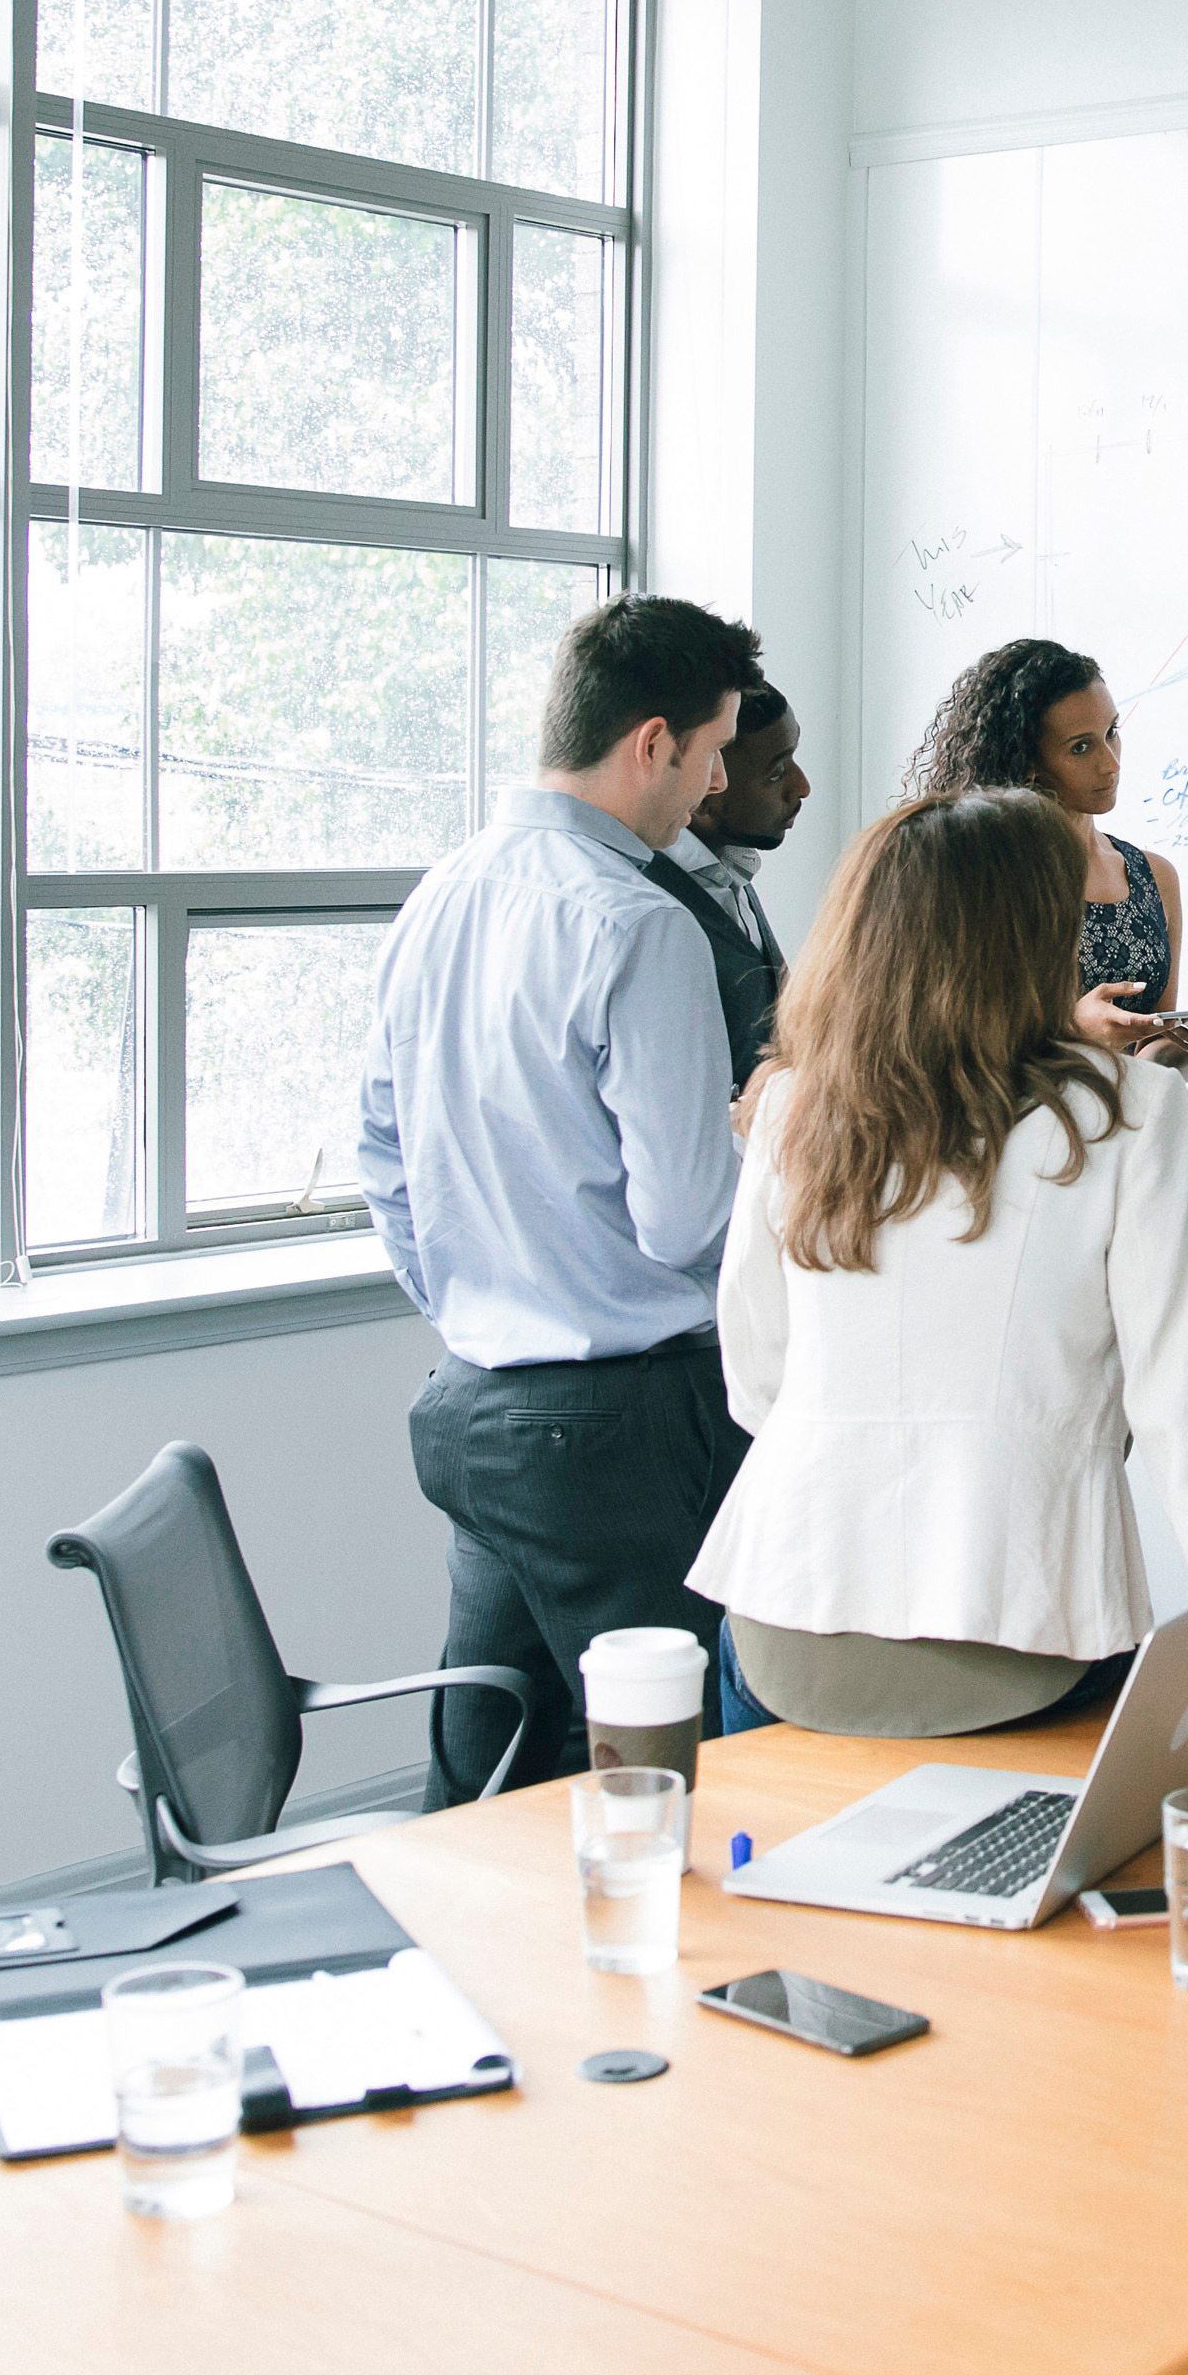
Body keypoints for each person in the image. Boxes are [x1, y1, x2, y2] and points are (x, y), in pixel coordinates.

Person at [689, 788, 1188, 1801]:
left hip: (784, 1609)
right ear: (1027, 939)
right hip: (1018, 1626)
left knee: (802, 1918)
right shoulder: (1133, 1112)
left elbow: (756, 1378)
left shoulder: (794, 1102)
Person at [359, 592, 765, 1799]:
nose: (710, 788)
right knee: (669, 1784)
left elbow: (382, 1154)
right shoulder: (641, 925)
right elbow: (691, 1220)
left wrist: (483, 1303)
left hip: (478, 1405)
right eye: (711, 753)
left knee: (486, 1787)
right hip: (625, 1432)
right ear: (653, 743)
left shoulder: (440, 892)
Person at [904, 637, 1188, 1071]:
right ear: (1028, 761)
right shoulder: (985, 880)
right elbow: (950, 1054)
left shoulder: (1155, 877)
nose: (1111, 764)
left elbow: (1149, 1057)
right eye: (1081, 747)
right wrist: (1075, 1031)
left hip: (1121, 1132)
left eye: (1111, 733)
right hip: (1018, 1131)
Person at [647, 681, 808, 1090]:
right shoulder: (653, 910)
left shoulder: (730, 871)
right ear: (708, 784)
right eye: (776, 772)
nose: (801, 786)